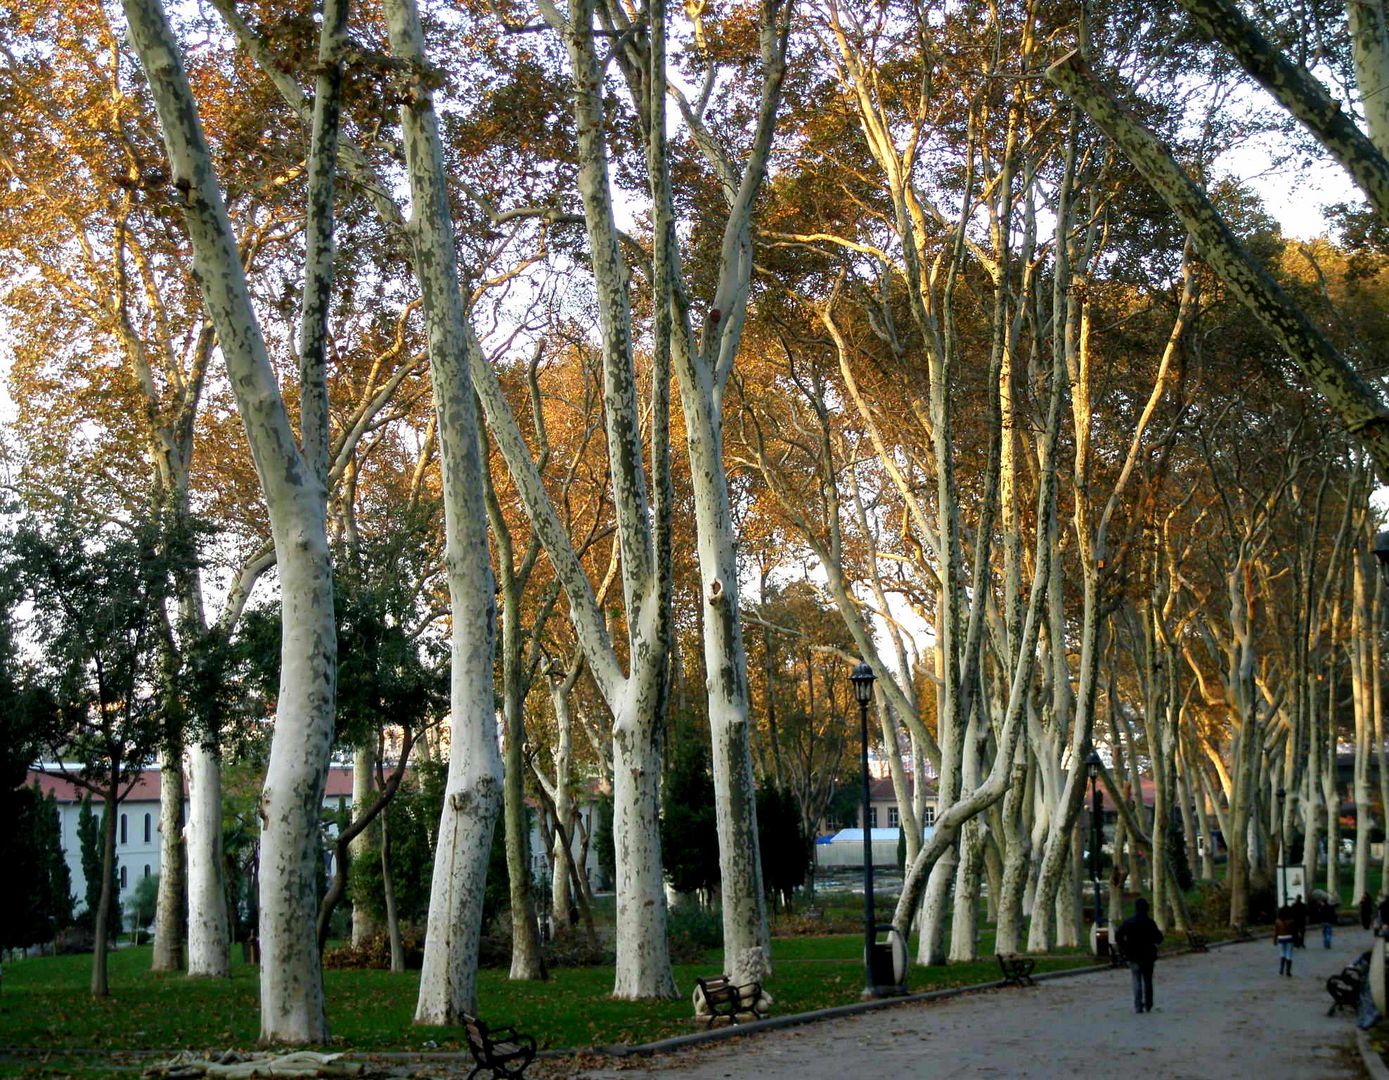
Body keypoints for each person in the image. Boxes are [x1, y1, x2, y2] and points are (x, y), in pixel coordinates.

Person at [1116, 897, 1164, 1013]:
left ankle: (1138, 1005)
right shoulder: (1150, 923)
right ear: (1146, 909)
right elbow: (1159, 939)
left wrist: (1124, 947)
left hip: (1133, 954)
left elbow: (1118, 935)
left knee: (1136, 979)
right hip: (1148, 955)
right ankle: (1148, 1004)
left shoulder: (1128, 922)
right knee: (1148, 980)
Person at [1275, 905, 1295, 976]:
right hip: (1289, 938)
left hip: (1281, 938)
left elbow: (1276, 931)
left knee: (1282, 953)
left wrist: (1275, 939)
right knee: (1289, 954)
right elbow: (1293, 931)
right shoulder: (1291, 921)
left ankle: (1281, 969)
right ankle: (1288, 971)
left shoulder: (1277, 921)